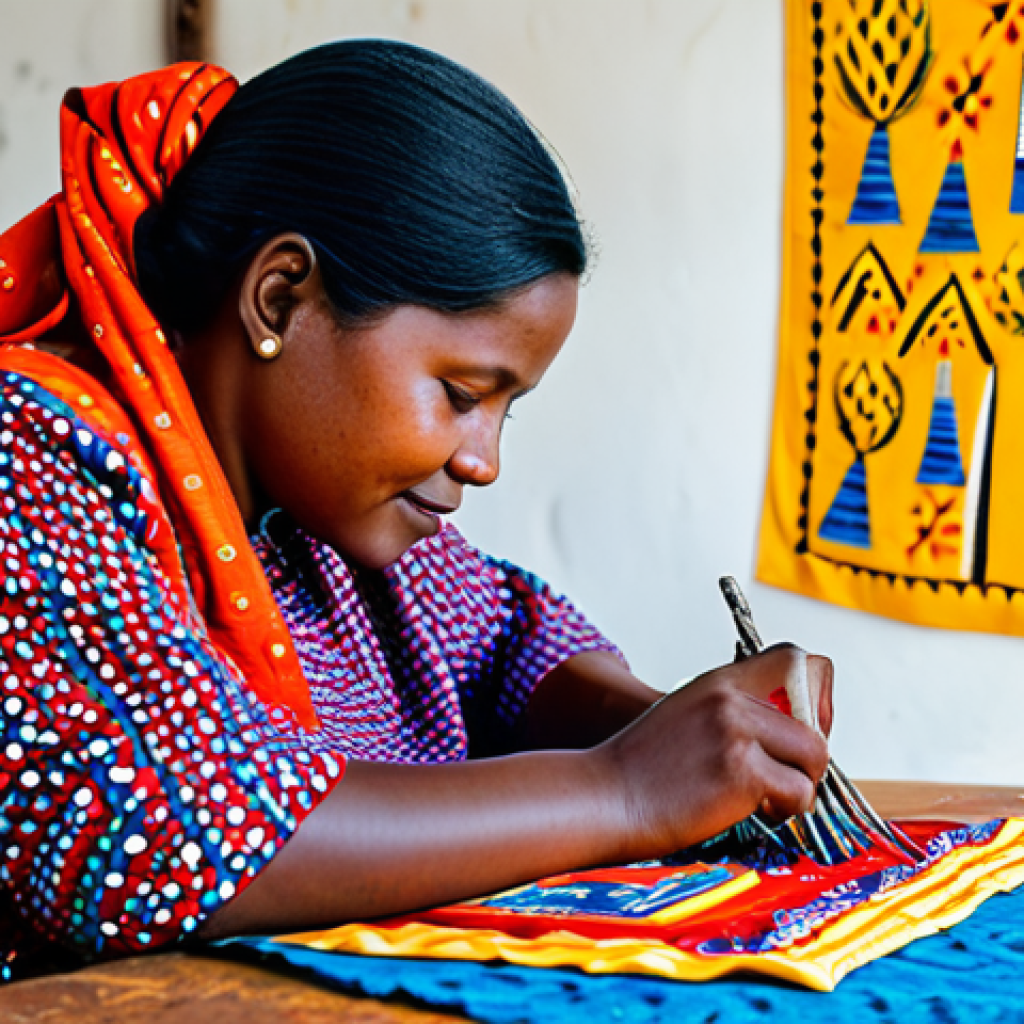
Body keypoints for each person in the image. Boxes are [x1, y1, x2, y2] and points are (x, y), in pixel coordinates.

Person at [0, 40, 830, 975]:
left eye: (507, 410)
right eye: (463, 392)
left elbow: (510, 643)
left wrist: (690, 734)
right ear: (280, 301)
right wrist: (625, 790)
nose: (483, 461)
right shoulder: (32, 464)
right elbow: (166, 835)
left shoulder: (318, 514)